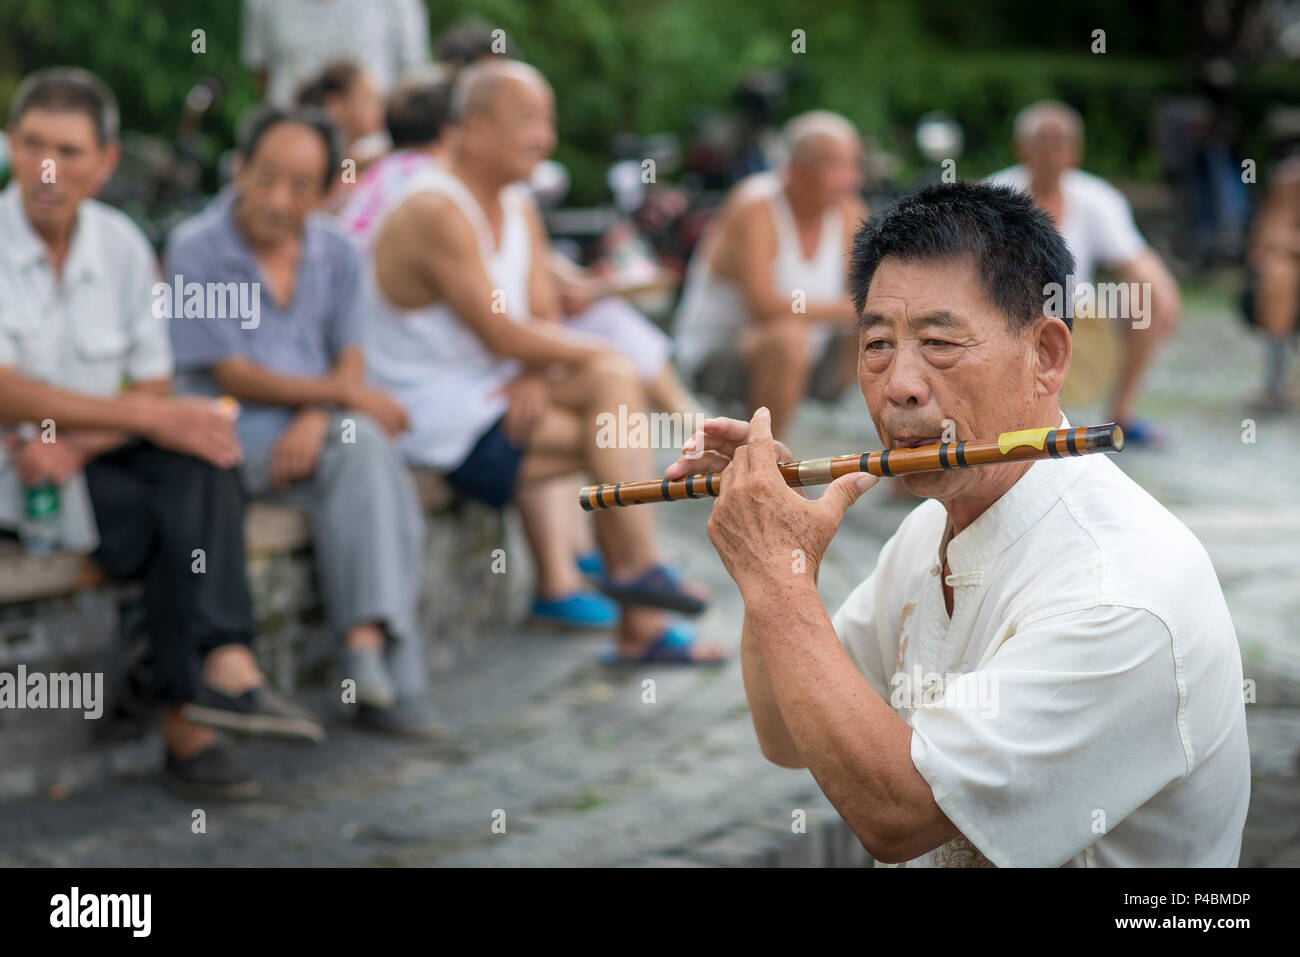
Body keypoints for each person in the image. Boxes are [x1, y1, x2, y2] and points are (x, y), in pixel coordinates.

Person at [666, 182, 1250, 866]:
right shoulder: (929, 530)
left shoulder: (1118, 594)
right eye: (878, 343)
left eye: (940, 342)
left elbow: (902, 815)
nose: (899, 384)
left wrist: (776, 577)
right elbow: (787, 732)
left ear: (1048, 356)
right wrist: (785, 560)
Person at [0, 67, 324, 800]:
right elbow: (7, 389)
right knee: (177, 501)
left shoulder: (119, 246)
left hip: (80, 462)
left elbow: (150, 380)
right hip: (14, 477)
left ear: (107, 162)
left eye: (71, 151)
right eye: (32, 144)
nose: (48, 169)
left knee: (203, 458)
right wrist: (143, 418)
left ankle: (225, 662)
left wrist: (83, 437)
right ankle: (188, 718)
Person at [360, 59, 725, 662]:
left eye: (548, 121)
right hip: (432, 421)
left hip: (492, 397)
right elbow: (503, 331)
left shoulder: (516, 204)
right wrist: (539, 359)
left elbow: (539, 318)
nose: (545, 139)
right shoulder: (434, 209)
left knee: (609, 405)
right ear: (473, 128)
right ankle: (641, 591)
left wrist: (532, 370)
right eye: (528, 120)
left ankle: (639, 599)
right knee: (609, 397)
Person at [165, 105, 440, 736]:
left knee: (367, 445)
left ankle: (367, 647)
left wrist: (320, 411)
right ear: (238, 170)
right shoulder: (196, 247)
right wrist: (339, 396)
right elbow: (232, 374)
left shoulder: (338, 252)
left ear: (324, 190)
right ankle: (390, 666)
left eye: (300, 186)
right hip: (226, 435)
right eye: (265, 177)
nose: (278, 200)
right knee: (371, 440)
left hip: (307, 437)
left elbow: (351, 360)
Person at [987, 100, 1181, 446]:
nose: (1051, 153)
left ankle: (1121, 413)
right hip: (1009, 309)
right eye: (1042, 142)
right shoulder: (996, 195)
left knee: (1143, 298)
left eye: (1061, 143)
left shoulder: (1096, 197)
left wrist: (1163, 292)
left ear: (1076, 151)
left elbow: (1137, 260)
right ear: (1022, 148)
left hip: (1080, 309)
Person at [673, 110, 868, 440]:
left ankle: (903, 468)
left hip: (812, 350)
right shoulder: (755, 206)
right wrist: (848, 309)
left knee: (888, 323)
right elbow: (763, 306)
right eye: (836, 166)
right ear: (796, 169)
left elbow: (869, 293)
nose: (851, 179)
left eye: (853, 165)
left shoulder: (848, 211)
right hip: (720, 356)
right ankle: (766, 461)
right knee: (788, 338)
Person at [241, 0, 430, 107]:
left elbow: (412, 80)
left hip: (371, 151)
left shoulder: (400, 5)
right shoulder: (263, 4)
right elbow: (262, 72)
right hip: (293, 141)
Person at [1244, 149, 1300, 411]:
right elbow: (1267, 240)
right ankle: (1276, 383)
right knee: (1277, 274)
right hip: (1286, 270)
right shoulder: (1291, 180)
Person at [294, 58, 390, 210]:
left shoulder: (349, 155)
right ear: (335, 105)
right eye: (369, 99)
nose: (380, 108)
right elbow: (343, 201)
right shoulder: (313, 153)